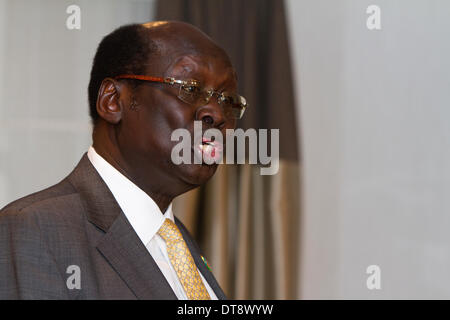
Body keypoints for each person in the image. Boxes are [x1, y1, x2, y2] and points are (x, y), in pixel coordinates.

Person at [0, 21, 247, 299]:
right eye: (189, 89)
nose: (217, 113)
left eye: (227, 99)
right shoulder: (35, 229)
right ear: (113, 101)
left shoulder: (178, 242)